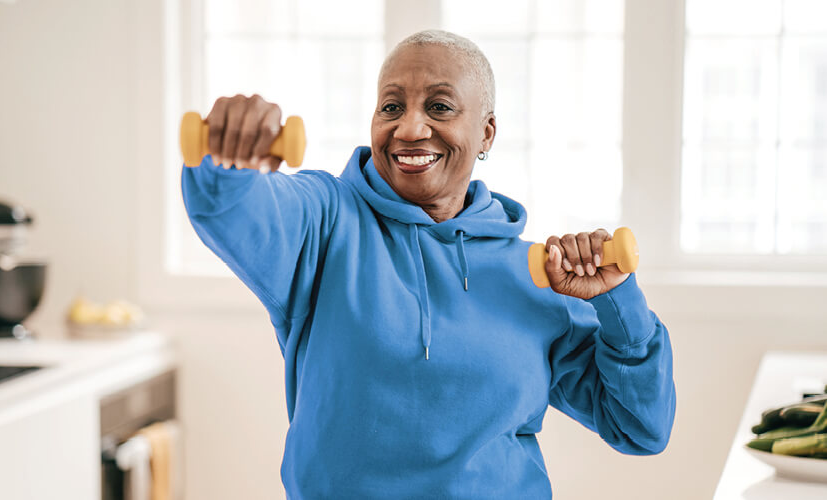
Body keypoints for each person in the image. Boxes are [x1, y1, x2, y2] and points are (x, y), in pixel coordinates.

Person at [182, 29, 675, 500]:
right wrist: (226, 156)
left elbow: (640, 425)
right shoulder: (326, 222)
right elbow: (229, 207)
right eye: (391, 107)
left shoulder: (535, 273)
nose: (410, 128)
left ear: (486, 133)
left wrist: (617, 301)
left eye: (439, 106)